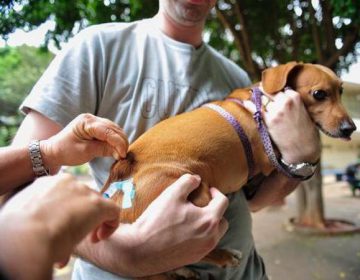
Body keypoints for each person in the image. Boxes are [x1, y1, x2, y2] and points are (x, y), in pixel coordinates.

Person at [11, 0, 320, 279]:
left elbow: (255, 201)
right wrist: (127, 256)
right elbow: (18, 187)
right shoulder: (97, 47)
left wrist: (302, 161)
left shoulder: (237, 80)